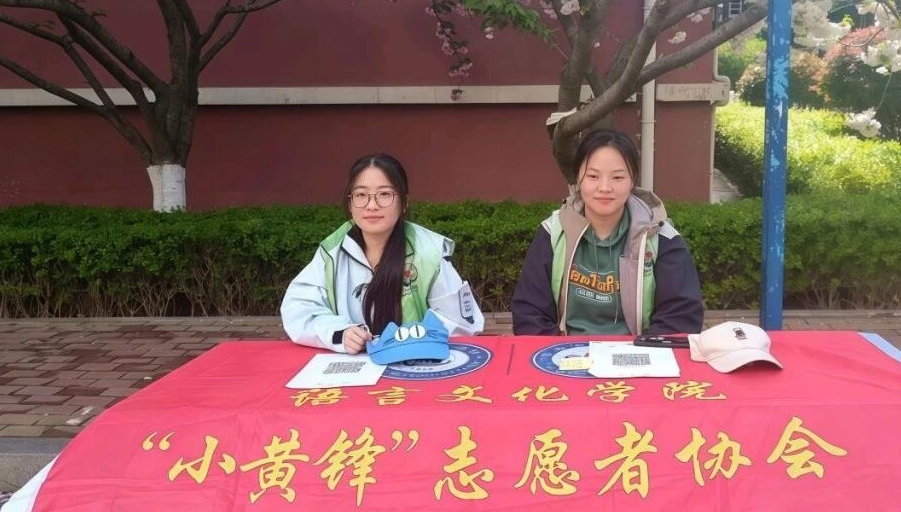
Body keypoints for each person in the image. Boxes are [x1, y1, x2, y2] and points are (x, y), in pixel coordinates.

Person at [281, 153, 484, 353]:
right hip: (353, 365)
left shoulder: (429, 252)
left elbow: (462, 324)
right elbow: (298, 309)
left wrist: (411, 340)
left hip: (415, 363)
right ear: (350, 203)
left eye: (385, 194)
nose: (372, 205)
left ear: (404, 202)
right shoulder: (332, 253)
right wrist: (341, 333)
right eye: (361, 195)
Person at [512, 128, 703, 335]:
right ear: (578, 178)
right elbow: (530, 314)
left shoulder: (661, 238)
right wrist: (563, 350)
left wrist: (638, 351)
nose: (604, 187)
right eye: (593, 176)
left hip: (638, 351)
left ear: (632, 180)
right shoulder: (552, 233)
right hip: (566, 351)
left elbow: (681, 316)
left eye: (617, 177)